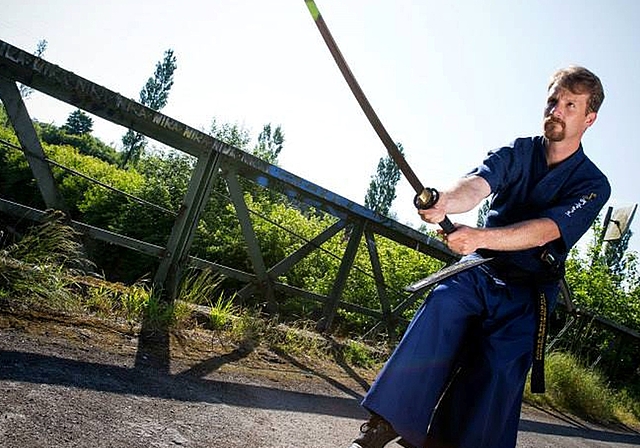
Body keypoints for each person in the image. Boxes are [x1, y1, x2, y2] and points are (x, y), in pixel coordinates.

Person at [349, 65, 611, 448]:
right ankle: (388, 423)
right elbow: (477, 184)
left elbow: (546, 230)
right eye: (553, 100)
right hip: (481, 269)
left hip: (529, 292)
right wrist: (444, 201)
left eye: (571, 105)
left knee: (499, 367)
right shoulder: (518, 151)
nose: (556, 110)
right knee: (445, 300)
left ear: (590, 118)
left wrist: (479, 236)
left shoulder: (594, 185)